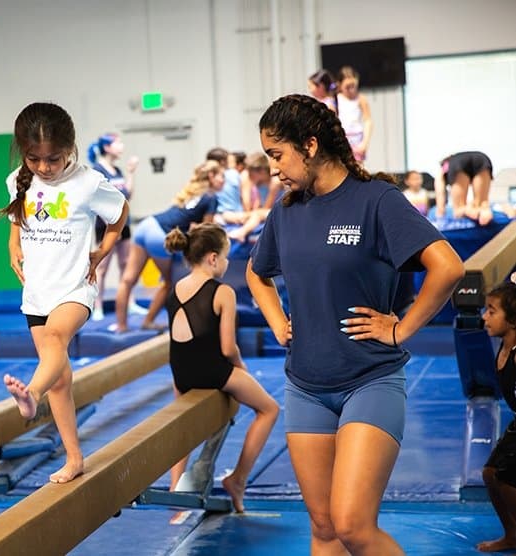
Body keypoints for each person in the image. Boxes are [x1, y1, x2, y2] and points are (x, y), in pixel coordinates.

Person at [246, 94, 464, 554]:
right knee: (323, 529)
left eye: (277, 155)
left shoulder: (376, 201)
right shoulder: (286, 212)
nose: (274, 169)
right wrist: (279, 321)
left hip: (370, 380)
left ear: (309, 145)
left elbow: (448, 267)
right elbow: (256, 273)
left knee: (353, 525)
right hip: (305, 385)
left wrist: (401, 328)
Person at [0, 102, 128, 484]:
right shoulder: (18, 179)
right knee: (60, 379)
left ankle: (30, 395)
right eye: (34, 159)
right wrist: (12, 244)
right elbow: (16, 216)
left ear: (69, 149)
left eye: (52, 159)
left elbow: (119, 214)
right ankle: (74, 458)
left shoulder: (89, 183)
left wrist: (103, 251)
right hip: (37, 292)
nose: (43, 167)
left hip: (75, 288)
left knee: (56, 340)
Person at [164, 223, 279, 512]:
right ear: (213, 258)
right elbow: (228, 348)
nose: (228, 263)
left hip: (181, 373)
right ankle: (238, 479)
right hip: (212, 371)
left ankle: (175, 485)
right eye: (226, 257)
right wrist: (241, 371)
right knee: (269, 410)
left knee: (184, 424)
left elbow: (179, 341)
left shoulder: (175, 289)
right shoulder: (223, 292)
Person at [115, 159, 224, 333]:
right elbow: (206, 230)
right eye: (221, 176)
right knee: (169, 283)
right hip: (160, 235)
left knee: (127, 280)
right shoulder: (211, 196)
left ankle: (121, 326)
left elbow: (185, 217)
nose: (223, 180)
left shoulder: (190, 192)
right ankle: (148, 321)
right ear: (211, 176)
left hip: (147, 224)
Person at [86, 132, 143, 320]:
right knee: (101, 267)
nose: (121, 146)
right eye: (118, 143)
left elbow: (128, 195)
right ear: (107, 147)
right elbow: (96, 201)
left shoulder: (117, 170)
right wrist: (112, 228)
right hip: (107, 226)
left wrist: (130, 173)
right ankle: (98, 306)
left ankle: (129, 302)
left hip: (123, 224)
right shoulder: (97, 170)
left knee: (125, 265)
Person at [477, 278, 516, 553]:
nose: (484, 316)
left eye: (492, 311)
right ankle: (512, 535)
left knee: (504, 477)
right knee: (491, 473)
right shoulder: (503, 348)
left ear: (512, 320)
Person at [218, 152, 283, 243]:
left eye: (251, 173)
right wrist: (248, 214)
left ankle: (242, 232)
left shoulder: (274, 182)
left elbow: (267, 207)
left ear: (262, 171)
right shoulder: (256, 180)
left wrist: (250, 214)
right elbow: (255, 202)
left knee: (257, 215)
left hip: (278, 210)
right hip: (264, 210)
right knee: (227, 215)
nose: (249, 175)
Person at [435, 151, 494, 226]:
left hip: (458, 162)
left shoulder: (444, 167)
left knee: (459, 209)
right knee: (482, 205)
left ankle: (472, 212)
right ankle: (484, 212)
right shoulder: (452, 161)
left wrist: (440, 216)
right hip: (482, 158)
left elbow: (440, 194)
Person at [336, 66, 372, 162]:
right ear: (340, 85)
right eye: (347, 87)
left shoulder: (361, 99)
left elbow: (368, 121)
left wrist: (365, 143)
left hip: (357, 139)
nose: (351, 90)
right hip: (342, 138)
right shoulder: (336, 99)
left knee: (358, 169)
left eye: (353, 86)